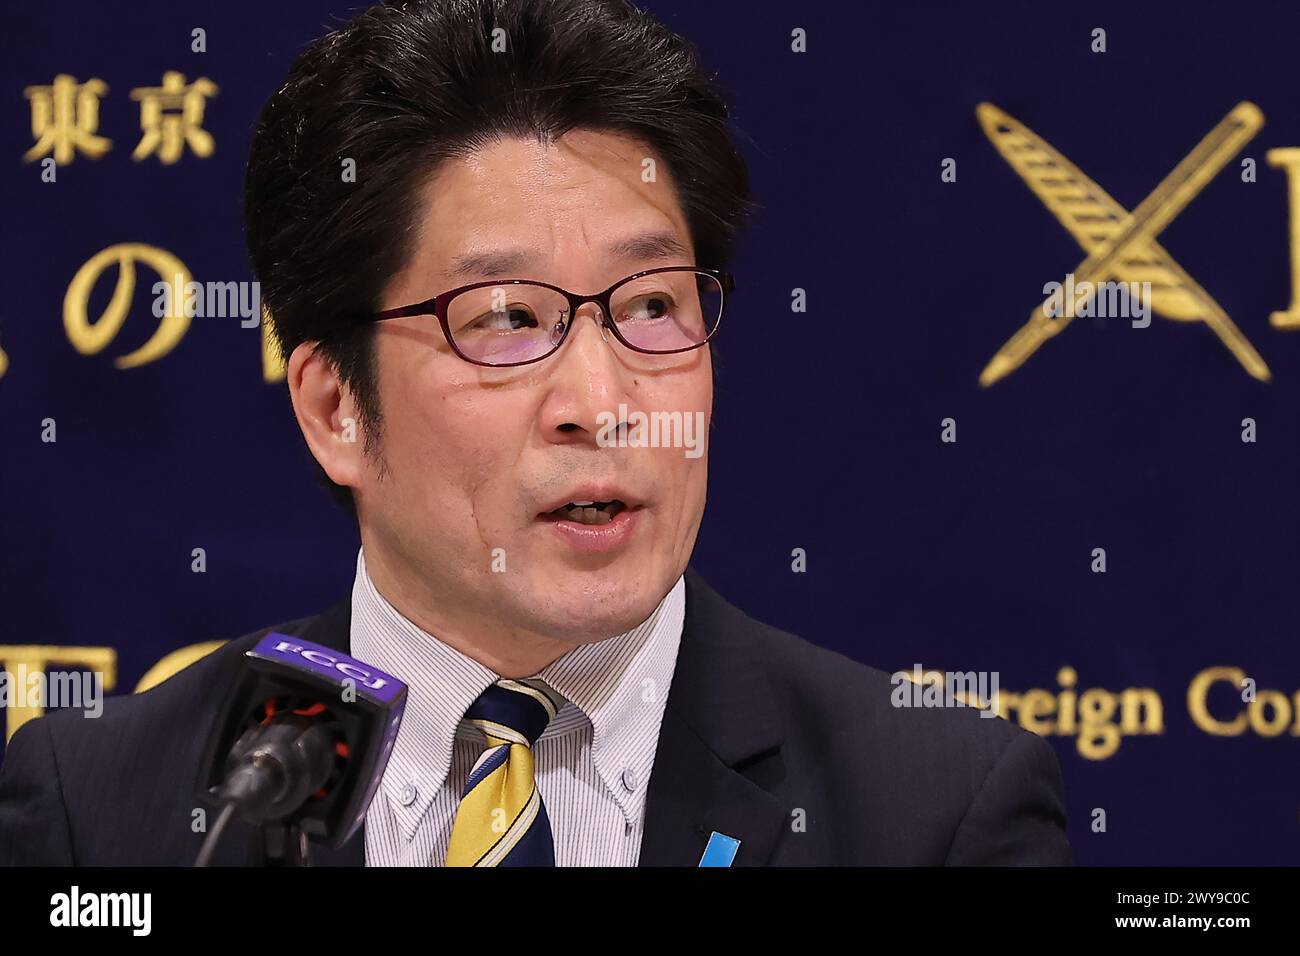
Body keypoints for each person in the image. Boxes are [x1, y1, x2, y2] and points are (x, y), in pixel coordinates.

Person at [0, 0, 1070, 866]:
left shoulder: (930, 811)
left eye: (653, 305)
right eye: (507, 319)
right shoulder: (115, 811)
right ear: (335, 407)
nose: (602, 398)